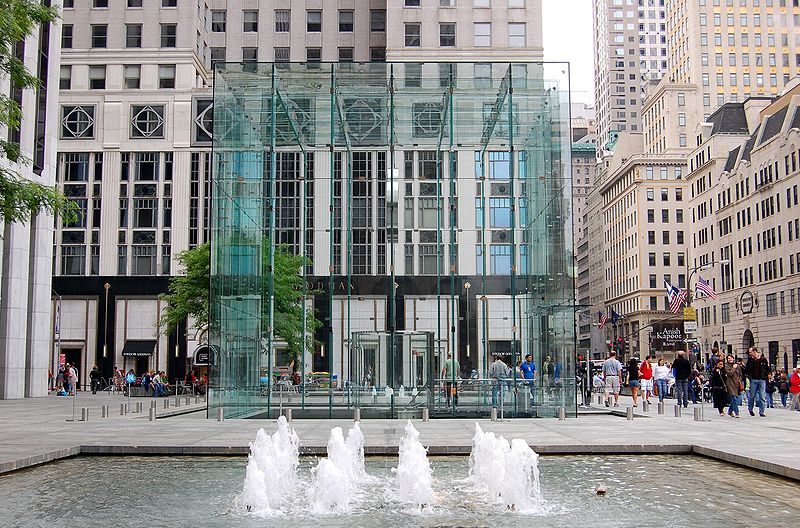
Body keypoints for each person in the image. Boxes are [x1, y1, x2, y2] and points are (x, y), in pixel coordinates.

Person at [745, 346, 769, 417]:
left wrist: (765, 376)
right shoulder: (750, 360)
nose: (749, 353)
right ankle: (750, 409)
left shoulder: (763, 359)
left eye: (750, 352)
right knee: (752, 396)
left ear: (754, 351)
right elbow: (747, 368)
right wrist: (749, 375)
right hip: (753, 380)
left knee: (762, 396)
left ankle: (761, 411)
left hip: (761, 380)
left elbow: (767, 369)